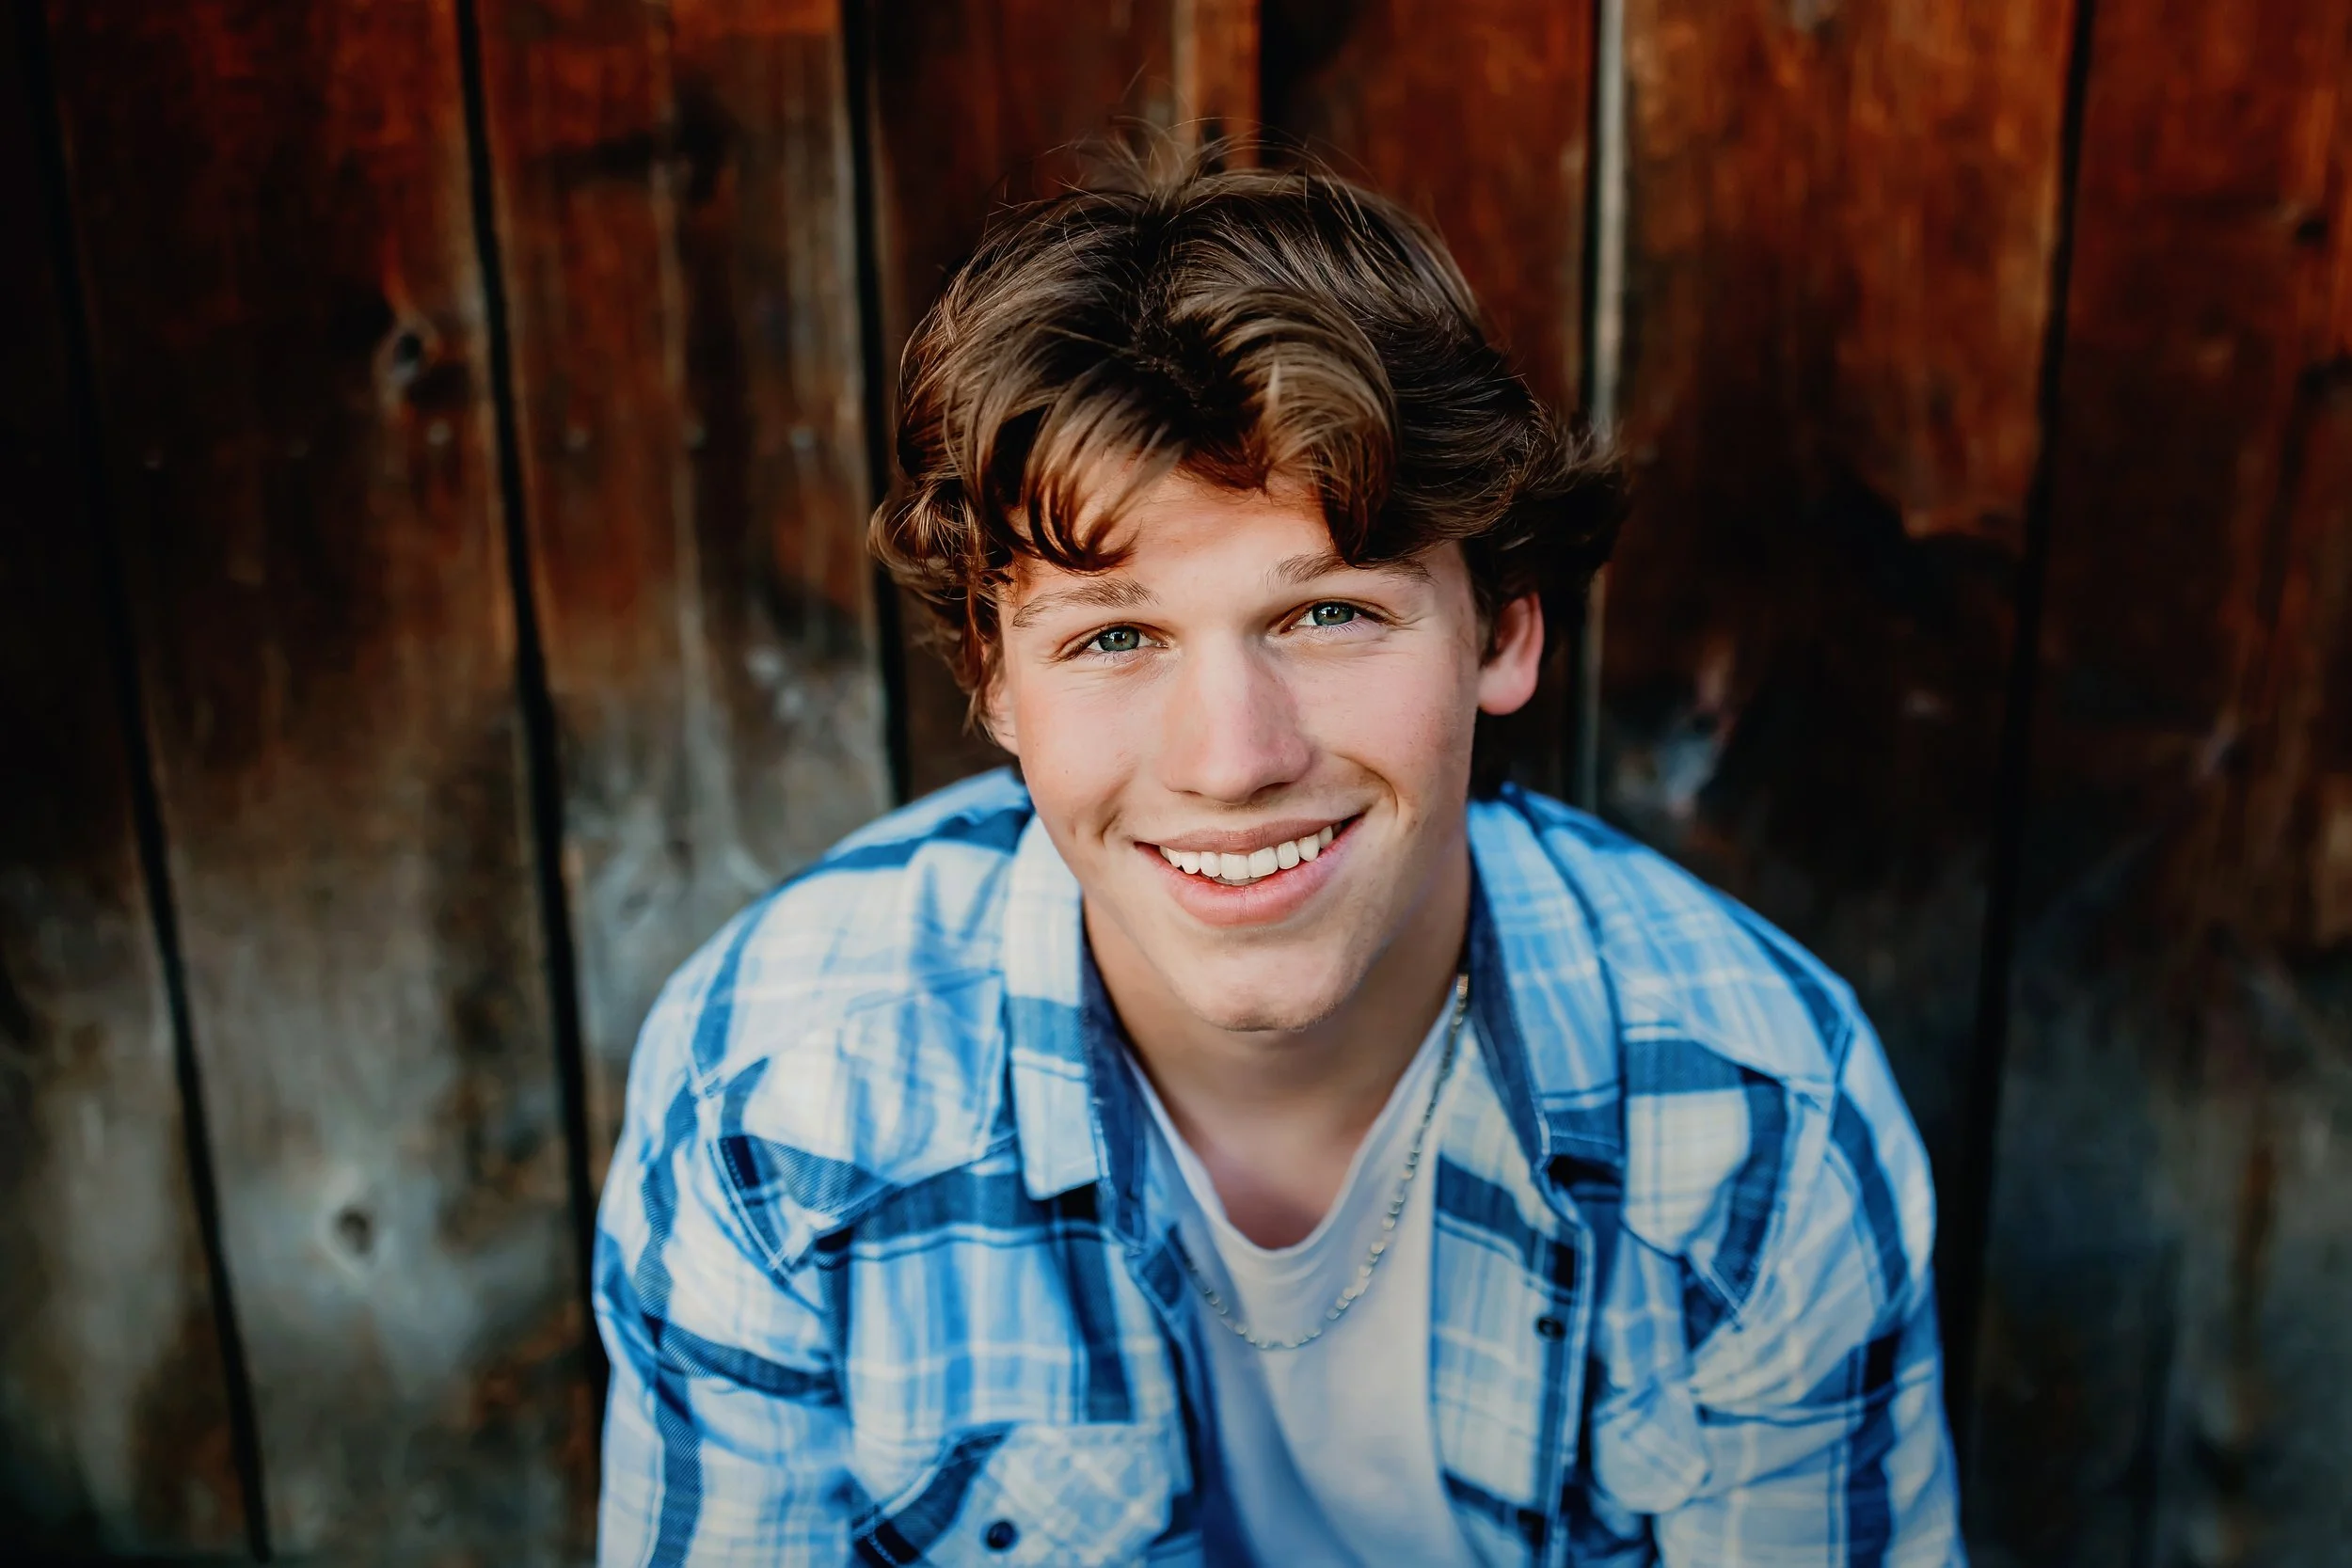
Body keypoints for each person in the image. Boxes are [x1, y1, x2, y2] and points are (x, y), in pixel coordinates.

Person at [593, 151, 1963, 1566]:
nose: (1232, 757)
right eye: (1113, 637)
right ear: (996, 684)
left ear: (1500, 634)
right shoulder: (779, 1105)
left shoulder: (1757, 1118)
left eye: (1328, 616)